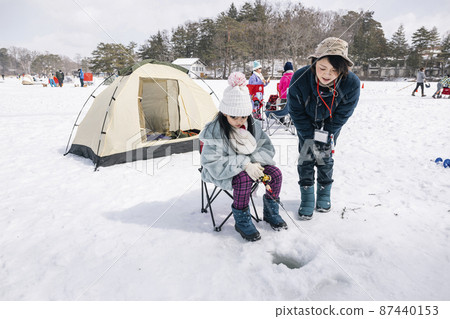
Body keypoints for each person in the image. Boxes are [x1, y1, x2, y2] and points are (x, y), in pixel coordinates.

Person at [200, 72, 287, 241]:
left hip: (253, 165)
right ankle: (241, 220)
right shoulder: (214, 130)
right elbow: (211, 162)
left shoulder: (253, 125)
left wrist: (255, 163)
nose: (240, 120)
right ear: (225, 113)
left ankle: (270, 212)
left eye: (244, 116)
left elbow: (266, 148)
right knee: (243, 179)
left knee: (275, 174)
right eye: (234, 116)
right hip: (225, 170)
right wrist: (245, 164)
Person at [287, 37, 360, 220]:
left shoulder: (351, 83)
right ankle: (307, 197)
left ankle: (324, 194)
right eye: (323, 68)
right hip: (306, 123)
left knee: (324, 156)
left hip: (330, 124)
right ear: (314, 63)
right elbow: (295, 110)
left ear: (342, 70)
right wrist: (308, 135)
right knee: (306, 157)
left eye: (335, 70)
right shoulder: (300, 78)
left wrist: (326, 134)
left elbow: (343, 113)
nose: (327, 74)